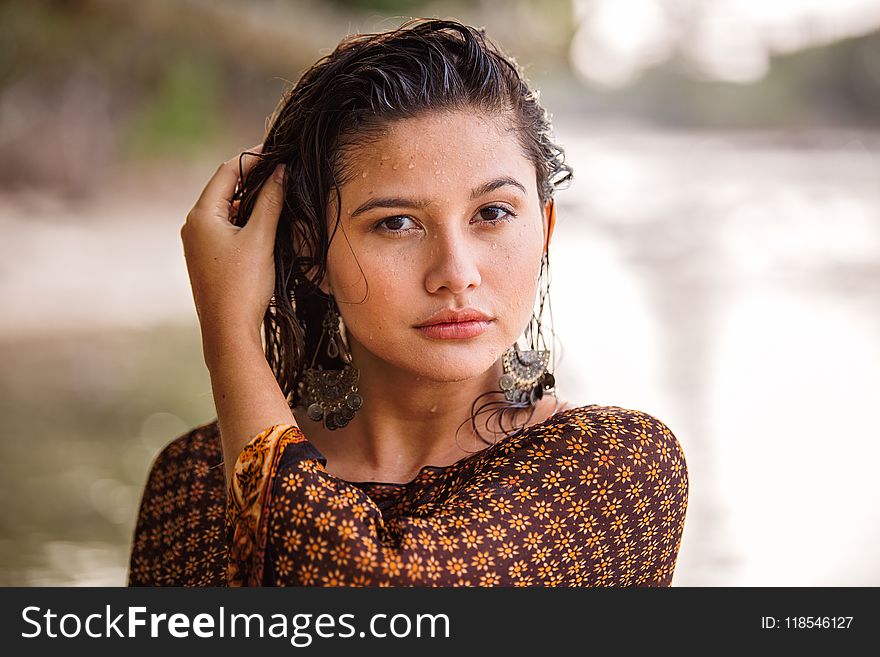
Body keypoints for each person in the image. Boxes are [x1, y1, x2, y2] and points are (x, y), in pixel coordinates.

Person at [128, 18, 688, 587]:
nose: (456, 274)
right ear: (310, 252)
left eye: (492, 213)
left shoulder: (614, 469)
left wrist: (231, 335)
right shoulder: (195, 479)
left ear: (544, 229)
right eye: (397, 223)